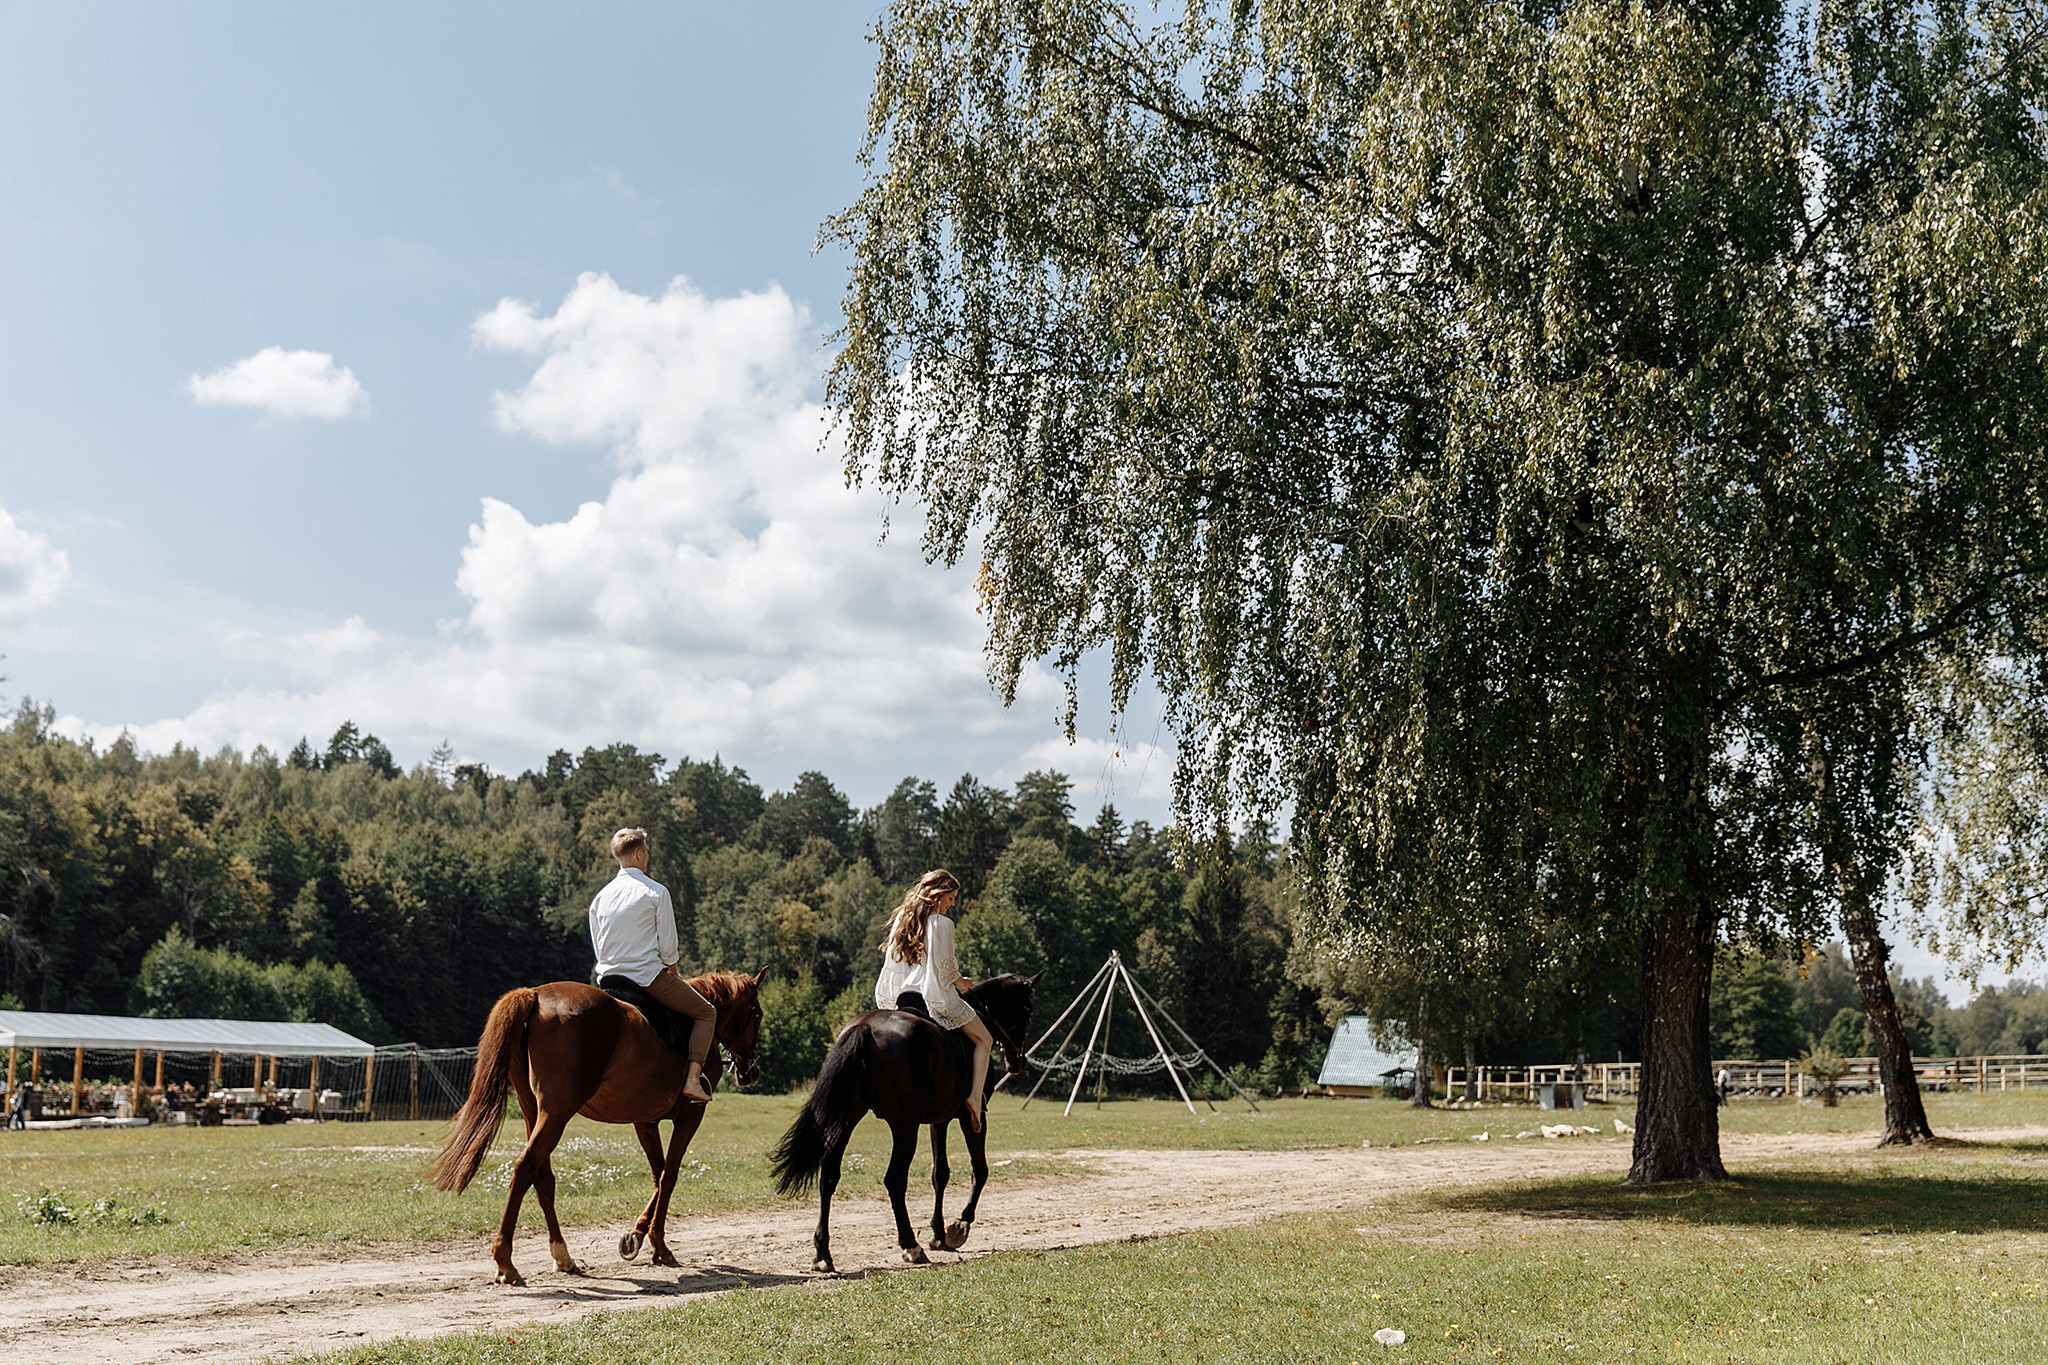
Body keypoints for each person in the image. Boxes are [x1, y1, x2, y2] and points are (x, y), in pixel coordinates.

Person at [589, 827, 716, 1104]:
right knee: (706, 1013)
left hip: (609, 980)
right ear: (638, 853)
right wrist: (673, 972)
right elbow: (668, 945)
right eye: (646, 851)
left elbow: (599, 947)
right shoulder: (656, 891)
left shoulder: (600, 898)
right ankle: (693, 1080)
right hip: (646, 979)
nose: (647, 856)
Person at [875, 868, 992, 1131]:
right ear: (938, 895)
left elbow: (892, 966)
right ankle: (974, 1098)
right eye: (950, 898)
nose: (952, 904)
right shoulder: (942, 924)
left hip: (903, 995)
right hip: (931, 998)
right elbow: (945, 969)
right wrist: (962, 982)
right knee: (985, 1039)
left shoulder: (903, 920)